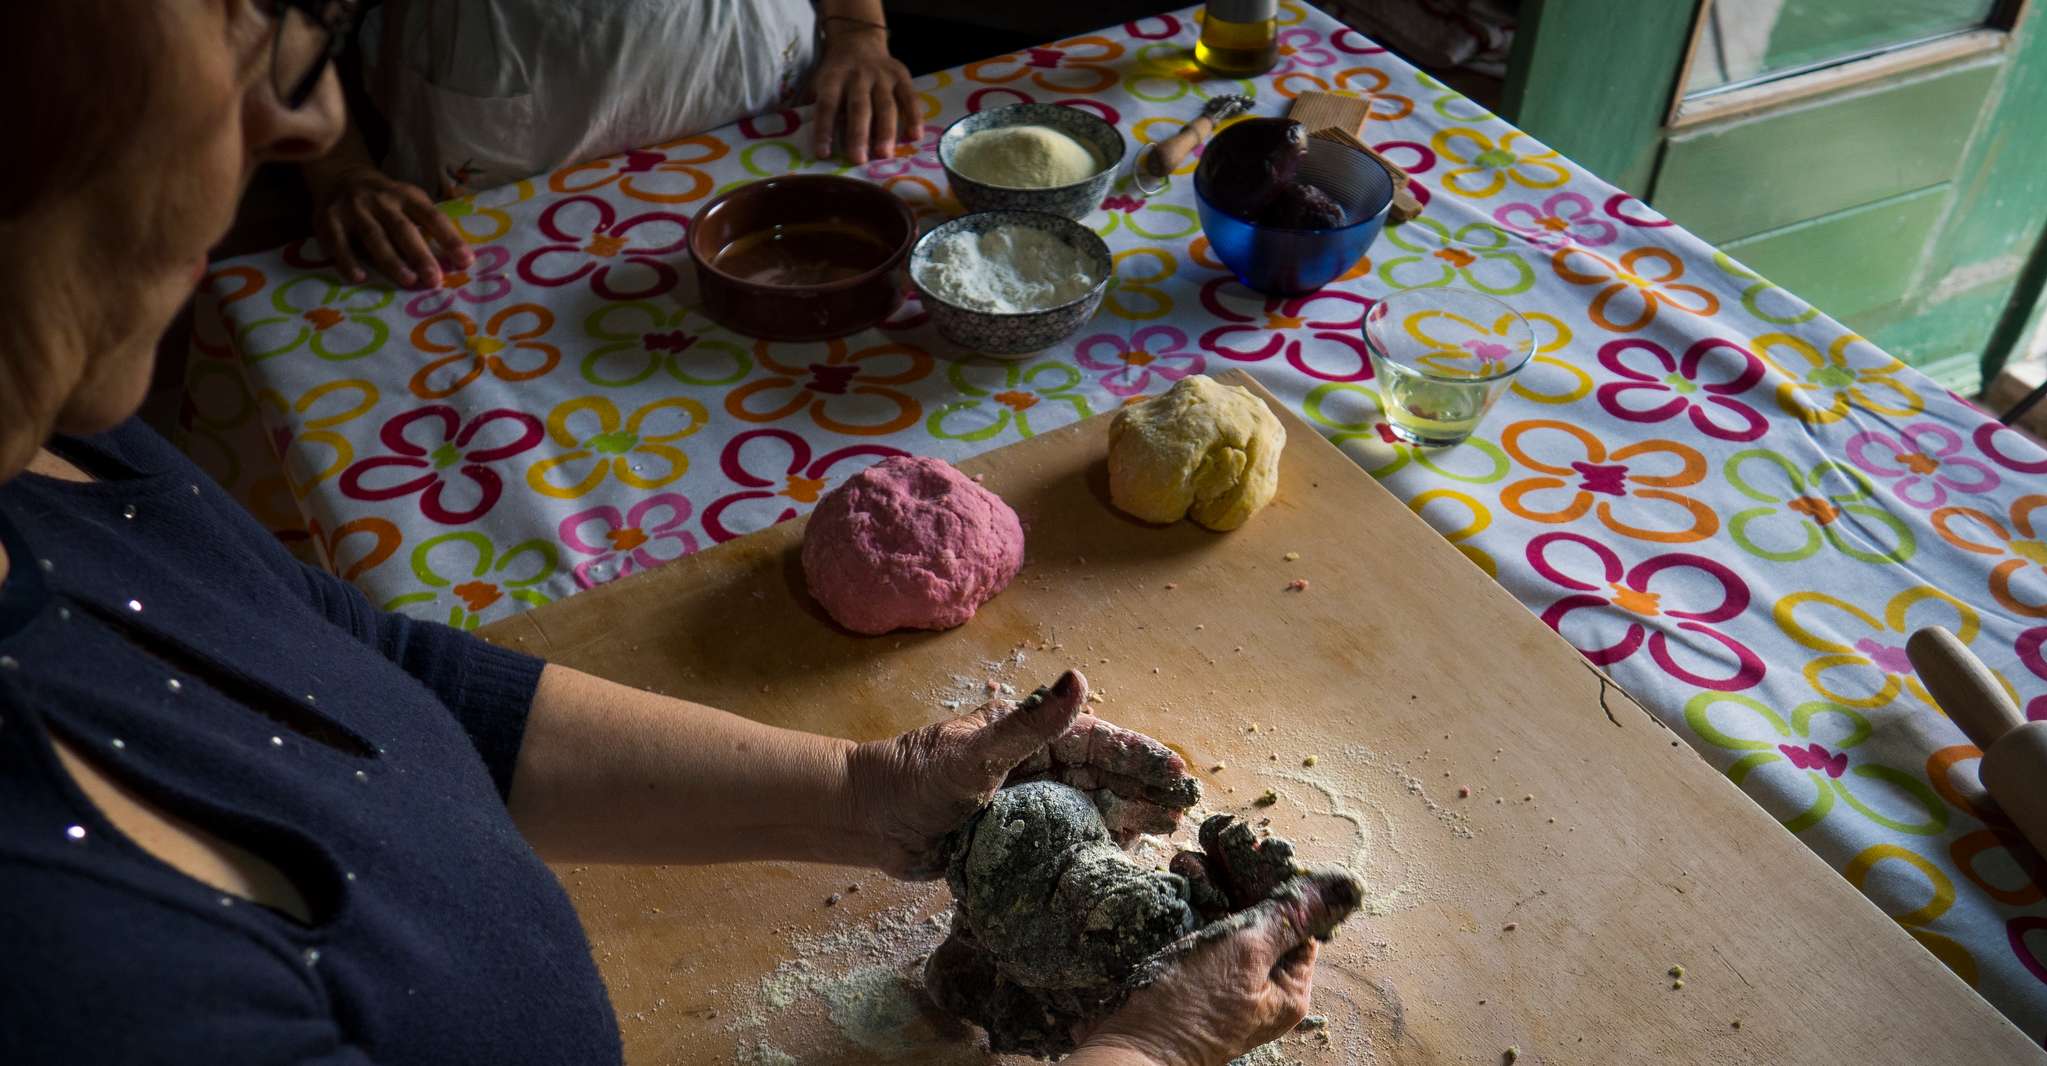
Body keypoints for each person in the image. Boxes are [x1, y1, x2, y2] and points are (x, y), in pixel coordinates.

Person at [0, 4, 1341, 1063]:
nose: (309, 119)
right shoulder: (62, 985)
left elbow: (373, 679)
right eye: (240, 20)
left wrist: (873, 791)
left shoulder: (65, 458)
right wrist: (1147, 1044)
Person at [305, 0, 920, 288]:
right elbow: (271, 23)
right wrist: (341, 171)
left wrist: (859, 32)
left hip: (754, 90)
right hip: (503, 142)